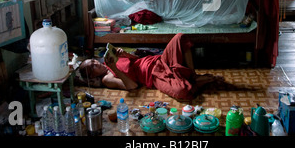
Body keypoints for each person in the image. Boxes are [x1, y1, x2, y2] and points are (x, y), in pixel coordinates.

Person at [77, 33, 221, 100]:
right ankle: (197, 81)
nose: (96, 63)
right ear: (92, 76)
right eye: (92, 67)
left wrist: (125, 54)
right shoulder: (107, 78)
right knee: (181, 91)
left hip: (158, 61)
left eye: (93, 61)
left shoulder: (108, 59)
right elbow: (132, 85)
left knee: (180, 37)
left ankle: (194, 76)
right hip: (153, 76)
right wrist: (114, 67)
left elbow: (137, 59)